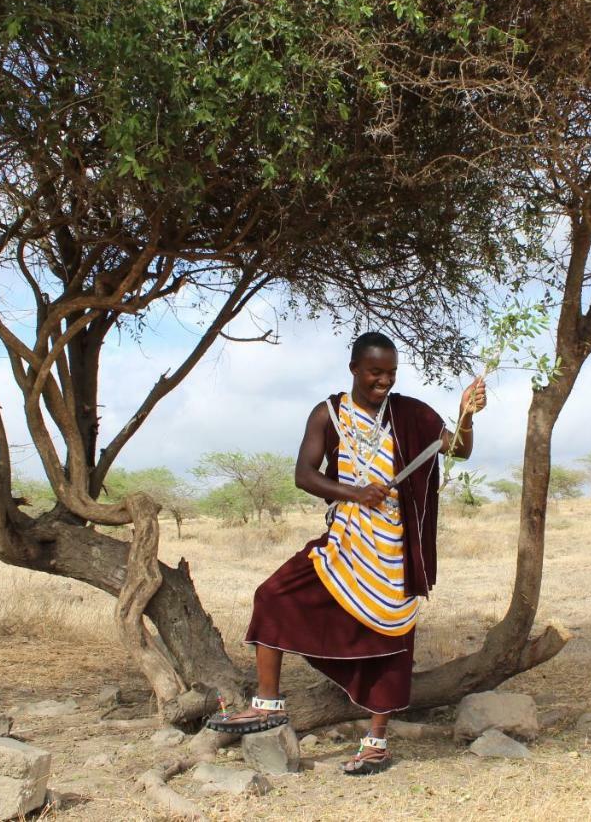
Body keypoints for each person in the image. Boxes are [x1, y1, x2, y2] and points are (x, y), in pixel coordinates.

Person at [208, 331, 485, 775]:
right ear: (355, 369)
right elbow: (304, 474)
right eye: (376, 372)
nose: (384, 381)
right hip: (344, 541)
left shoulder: (410, 413)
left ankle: (376, 742)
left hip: (392, 546)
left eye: (391, 373)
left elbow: (458, 450)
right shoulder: (329, 414)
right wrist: (354, 492)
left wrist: (466, 415)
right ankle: (267, 704)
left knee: (390, 640)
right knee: (274, 595)